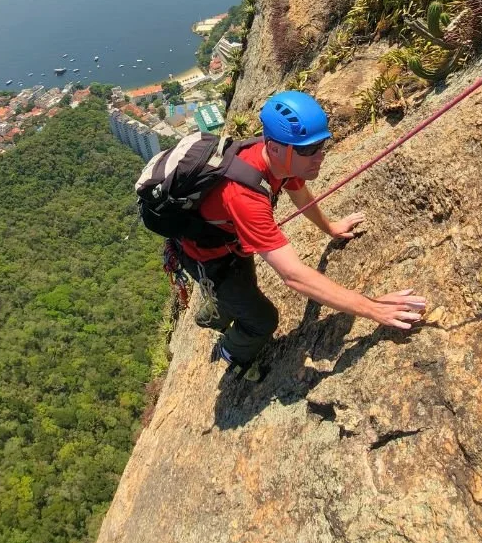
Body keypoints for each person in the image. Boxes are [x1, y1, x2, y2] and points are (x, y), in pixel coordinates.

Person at [176, 90, 426, 379]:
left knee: (244, 290)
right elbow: (293, 276)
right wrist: (373, 309)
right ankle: (232, 352)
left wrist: (330, 227)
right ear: (274, 147)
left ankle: (223, 308)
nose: (319, 157)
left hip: (230, 241)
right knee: (263, 321)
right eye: (309, 150)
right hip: (208, 257)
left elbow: (300, 194)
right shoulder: (244, 196)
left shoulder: (283, 159)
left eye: (321, 145)